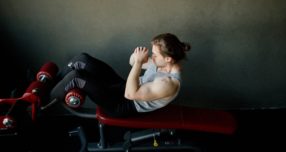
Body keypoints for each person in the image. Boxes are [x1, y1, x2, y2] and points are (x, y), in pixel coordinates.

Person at [50, 33, 191, 117]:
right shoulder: (161, 62)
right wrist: (137, 57)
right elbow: (132, 62)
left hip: (122, 105)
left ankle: (43, 103)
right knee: (82, 59)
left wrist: (138, 63)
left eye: (154, 55)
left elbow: (130, 94)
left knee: (77, 77)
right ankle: (49, 86)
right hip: (123, 88)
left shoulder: (168, 83)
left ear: (168, 59)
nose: (152, 57)